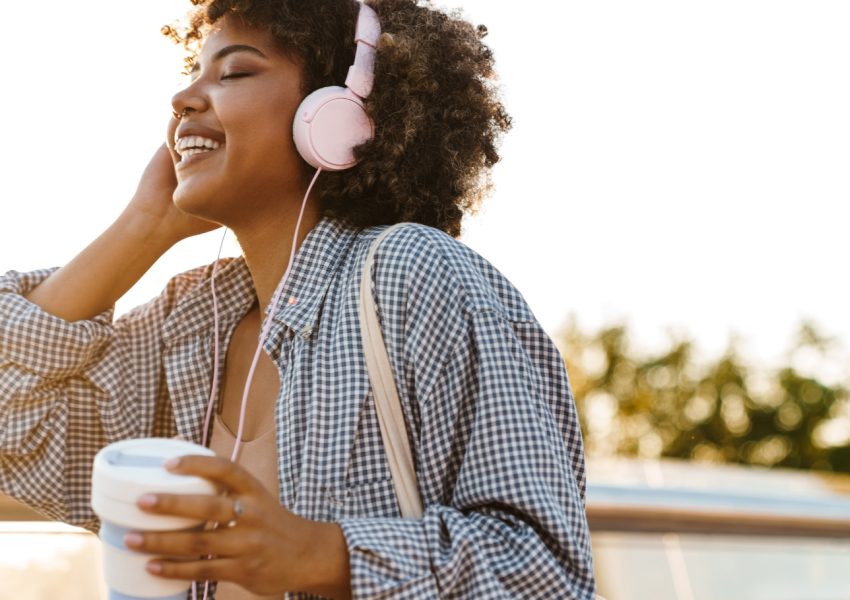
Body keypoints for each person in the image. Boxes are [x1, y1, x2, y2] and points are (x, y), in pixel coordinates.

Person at [0, 0, 595, 598]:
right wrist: (141, 226)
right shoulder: (190, 320)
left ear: (336, 117)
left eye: (233, 72)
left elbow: (546, 572)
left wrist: (320, 556)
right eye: (194, 71)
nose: (182, 97)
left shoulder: (411, 275)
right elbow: (14, 423)